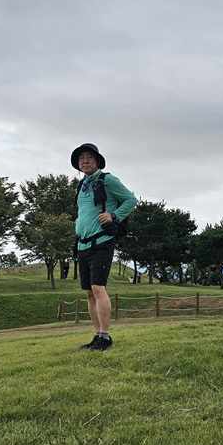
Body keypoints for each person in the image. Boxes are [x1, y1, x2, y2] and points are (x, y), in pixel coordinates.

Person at [71, 143, 137, 351]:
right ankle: (98, 334)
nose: (85, 161)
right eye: (82, 158)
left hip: (102, 241)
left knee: (98, 288)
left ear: (97, 161)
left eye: (90, 157)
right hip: (83, 244)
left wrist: (114, 216)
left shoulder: (107, 180)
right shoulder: (81, 185)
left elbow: (131, 200)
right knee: (89, 292)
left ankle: (106, 337)